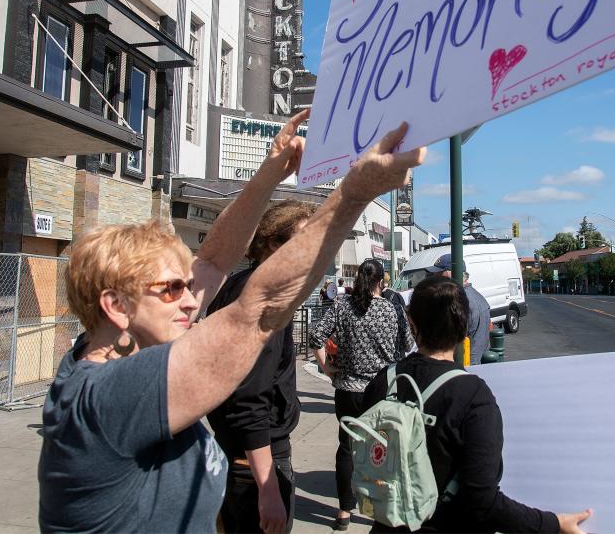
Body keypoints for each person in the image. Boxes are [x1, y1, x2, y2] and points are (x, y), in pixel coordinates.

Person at [37, 114, 425, 532]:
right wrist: (354, 194)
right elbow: (256, 312)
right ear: (116, 305)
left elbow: (214, 259)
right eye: (171, 289)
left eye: (187, 287)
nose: (190, 302)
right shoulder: (109, 395)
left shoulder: (107, 352)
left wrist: (269, 173)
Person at [362, 276, 593, 533]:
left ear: (412, 322)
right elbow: (483, 503)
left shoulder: (385, 380)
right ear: (464, 329)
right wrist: (554, 524)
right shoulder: (473, 396)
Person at [206, 200, 318, 534]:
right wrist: (268, 487)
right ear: (271, 242)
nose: (310, 251)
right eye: (301, 240)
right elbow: (249, 396)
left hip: (240, 455)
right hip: (256, 461)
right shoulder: (263, 296)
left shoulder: (242, 283)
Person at [310, 258, 416, 531]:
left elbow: (316, 337)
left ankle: (344, 511)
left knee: (346, 448)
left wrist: (327, 368)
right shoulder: (392, 311)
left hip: (347, 390)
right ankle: (378, 507)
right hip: (381, 392)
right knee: (382, 450)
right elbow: (408, 346)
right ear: (381, 282)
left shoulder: (342, 307)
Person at [425, 254, 490, 365]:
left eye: (440, 273)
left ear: (453, 273)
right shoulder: (477, 297)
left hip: (464, 366)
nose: (435, 277)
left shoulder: (459, 300)